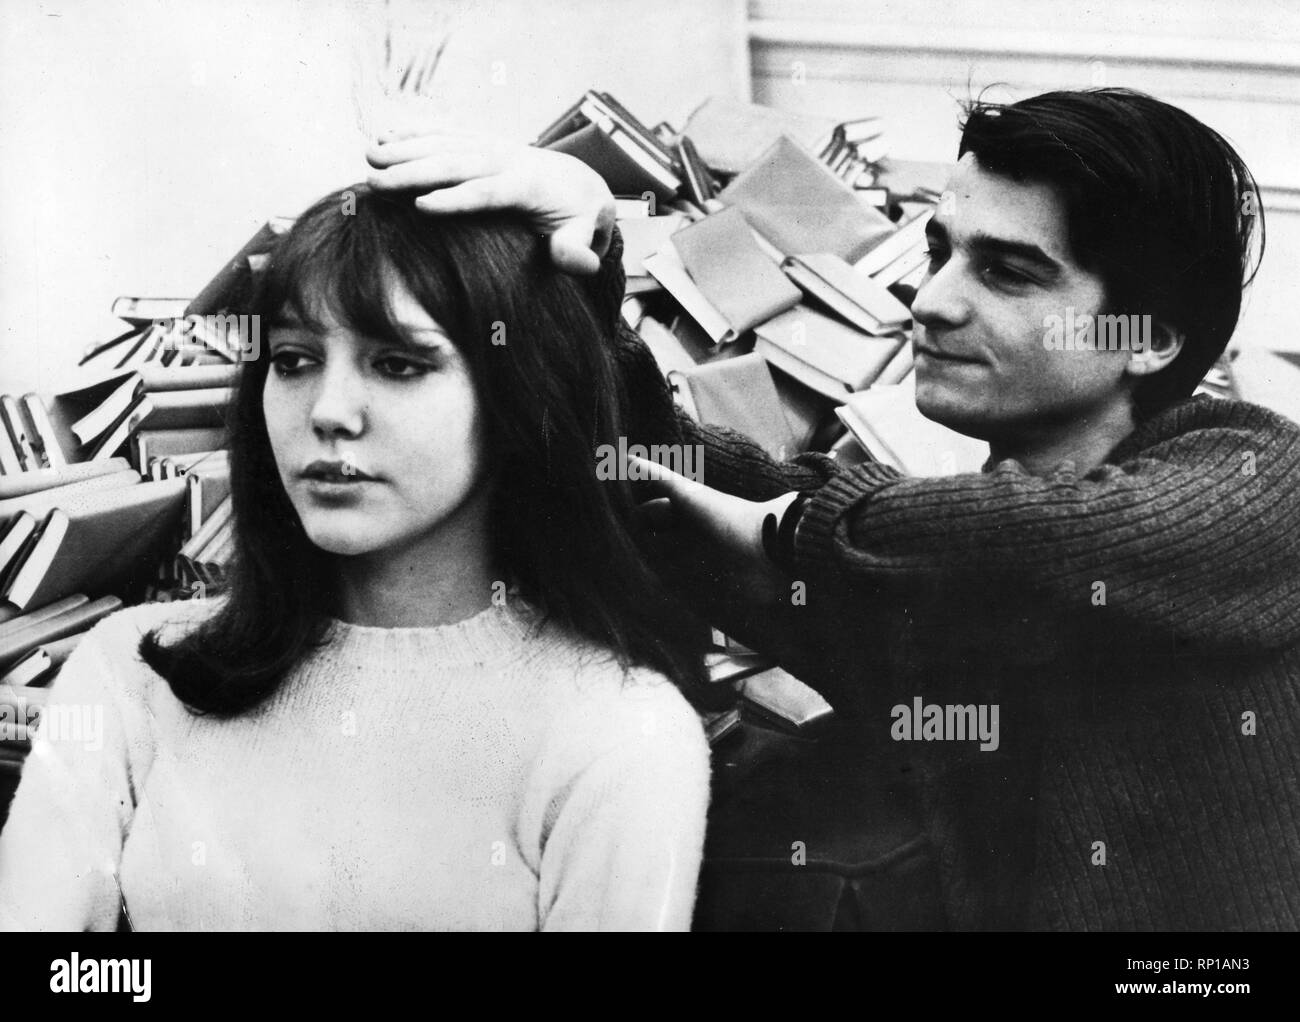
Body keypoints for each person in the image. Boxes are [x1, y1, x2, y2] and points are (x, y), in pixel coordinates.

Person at [366, 88, 1300, 930]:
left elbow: (1026, 544)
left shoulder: (1257, 478)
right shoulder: (935, 560)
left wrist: (782, 532)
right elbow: (668, 479)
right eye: (939, 251)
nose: (930, 301)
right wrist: (571, 271)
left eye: (1009, 273)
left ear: (1150, 339)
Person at [0, 185, 719, 932]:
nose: (329, 411)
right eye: (294, 358)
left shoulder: (619, 735)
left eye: (399, 365)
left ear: (519, 392)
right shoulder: (133, 672)